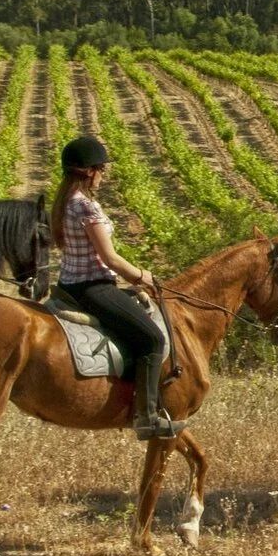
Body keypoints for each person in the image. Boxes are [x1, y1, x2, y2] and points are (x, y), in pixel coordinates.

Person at [52, 136, 186, 440]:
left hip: (68, 285)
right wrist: (142, 276)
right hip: (93, 288)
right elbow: (110, 258)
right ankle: (147, 417)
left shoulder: (64, 202)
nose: (104, 174)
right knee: (152, 338)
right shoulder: (86, 207)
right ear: (89, 171)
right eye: (101, 168)